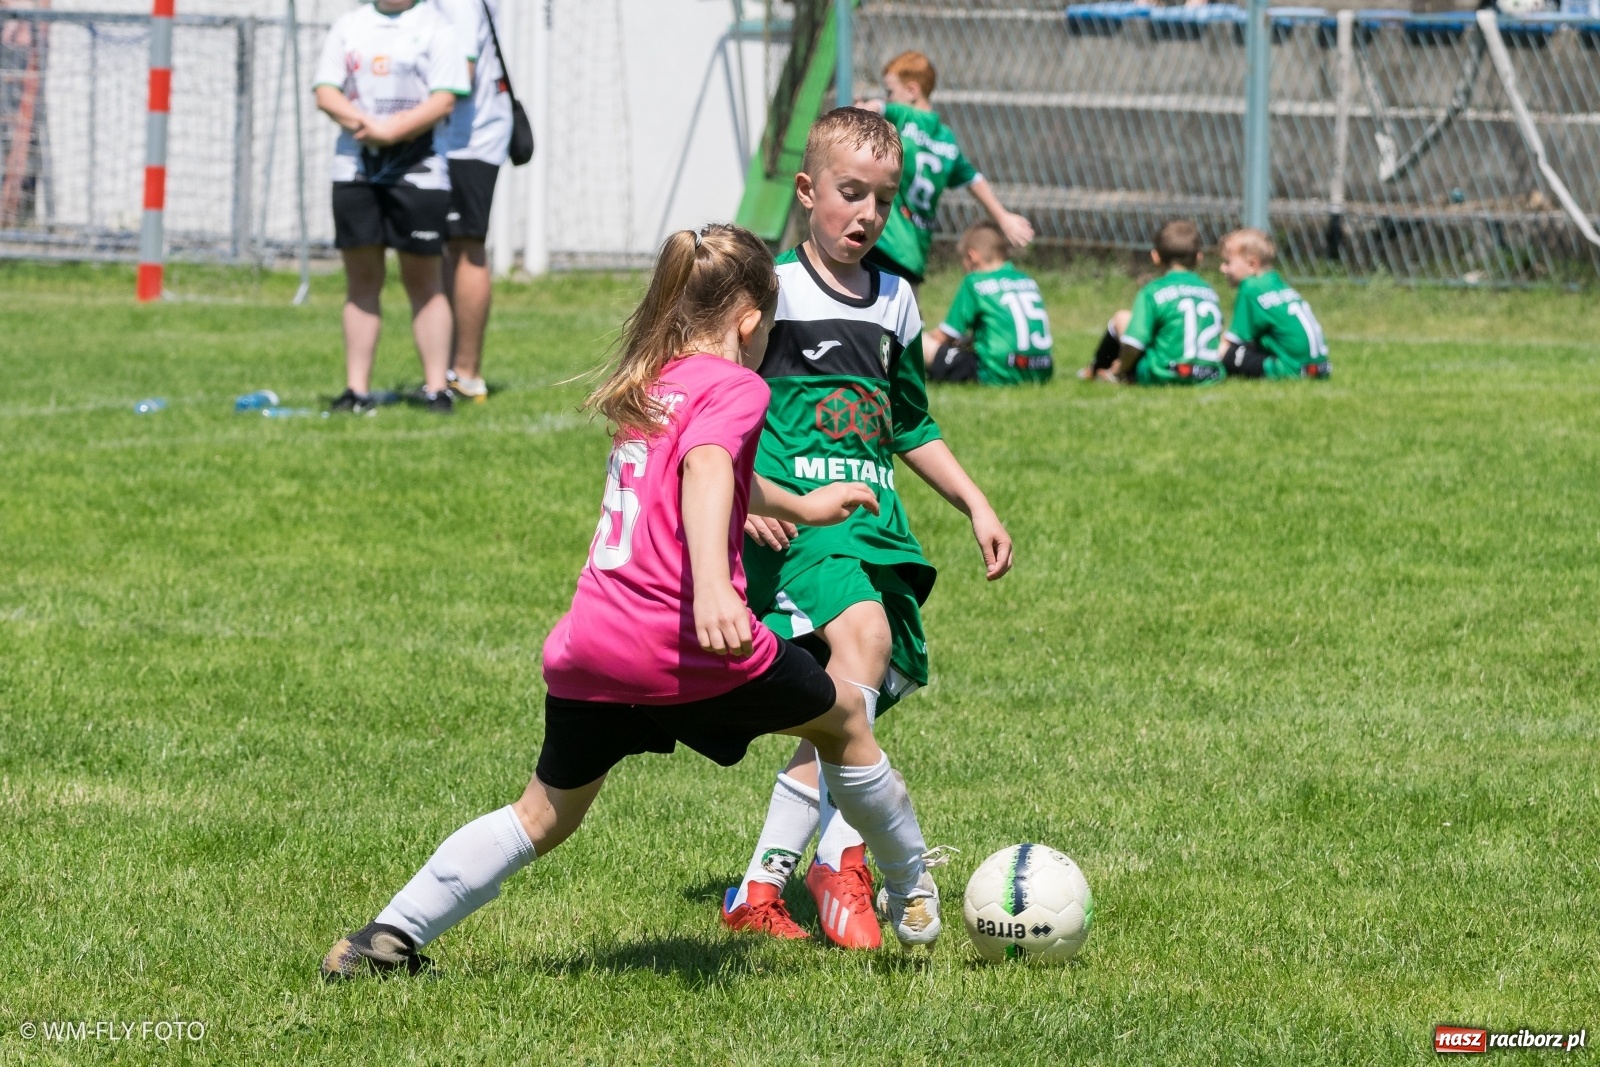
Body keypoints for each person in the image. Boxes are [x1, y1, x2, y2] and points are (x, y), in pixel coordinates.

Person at [321, 224, 947, 980]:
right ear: (750, 322)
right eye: (768, 330)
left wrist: (807, 508)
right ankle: (914, 892)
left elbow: (703, 466)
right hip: (683, 640)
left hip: (591, 642)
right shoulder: (739, 385)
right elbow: (710, 466)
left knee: (541, 815)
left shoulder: (652, 383)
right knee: (848, 717)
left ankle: (380, 941)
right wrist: (716, 589)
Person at [721, 108, 1013, 950]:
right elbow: (714, 408)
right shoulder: (767, 293)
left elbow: (910, 423)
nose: (866, 215)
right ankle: (847, 860)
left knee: (854, 706)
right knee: (866, 644)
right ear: (808, 191)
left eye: (882, 202)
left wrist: (976, 503)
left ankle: (757, 887)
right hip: (802, 529)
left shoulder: (897, 300)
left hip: (877, 527)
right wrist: (747, 500)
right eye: (851, 194)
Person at [313, 0, 469, 415]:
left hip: (418, 172)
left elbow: (443, 99)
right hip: (356, 169)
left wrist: (390, 130)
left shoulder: (438, 28)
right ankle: (355, 390)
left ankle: (437, 388)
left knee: (424, 281)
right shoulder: (349, 25)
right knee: (361, 281)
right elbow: (326, 91)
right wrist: (365, 127)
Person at [858, 51, 1034, 290]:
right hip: (913, 252)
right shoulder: (947, 139)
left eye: (890, 91)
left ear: (912, 91)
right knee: (907, 319)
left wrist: (863, 108)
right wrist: (1003, 217)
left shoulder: (905, 115)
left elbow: (880, 108)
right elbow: (973, 179)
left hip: (884, 242)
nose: (887, 98)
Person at [435, 0, 512, 404]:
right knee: (452, 245)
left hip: (471, 137)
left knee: (467, 244)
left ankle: (467, 373)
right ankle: (450, 369)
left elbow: (459, 75)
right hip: (455, 136)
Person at [1083, 219, 1226, 386]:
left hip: (1165, 373)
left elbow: (1133, 343)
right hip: (1210, 374)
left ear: (1155, 257)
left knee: (1121, 318)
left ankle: (1096, 370)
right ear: (1199, 258)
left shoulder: (1153, 291)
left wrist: (1120, 370)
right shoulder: (1209, 291)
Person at [922, 221, 1054, 385]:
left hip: (997, 373)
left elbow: (946, 335)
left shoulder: (975, 282)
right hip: (1041, 371)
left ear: (972, 257)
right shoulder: (1026, 279)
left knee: (919, 344)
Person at [1216, 228, 1332, 380]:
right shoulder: (1275, 281)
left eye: (1227, 262)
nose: (1222, 268)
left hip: (1291, 369)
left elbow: (1231, 340)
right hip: (1319, 368)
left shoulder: (1250, 288)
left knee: (1224, 350)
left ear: (1252, 264)